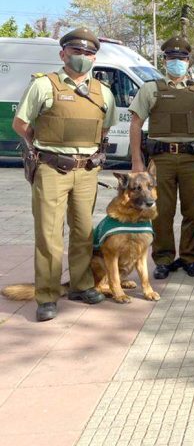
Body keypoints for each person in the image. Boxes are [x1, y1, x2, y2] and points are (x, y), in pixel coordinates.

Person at [13, 27, 117, 321]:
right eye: (76, 52)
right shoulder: (44, 86)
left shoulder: (103, 92)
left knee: (84, 232)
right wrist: (41, 146)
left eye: (88, 53)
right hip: (51, 169)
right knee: (48, 235)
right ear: (63, 54)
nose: (82, 57)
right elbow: (21, 124)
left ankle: (81, 285)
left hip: (86, 171)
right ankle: (46, 296)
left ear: (95, 57)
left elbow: (105, 127)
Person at [129, 36, 194, 280]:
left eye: (181, 59)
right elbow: (136, 124)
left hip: (193, 161)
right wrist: (137, 162)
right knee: (161, 210)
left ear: (188, 61)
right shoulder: (150, 89)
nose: (177, 62)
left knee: (192, 211)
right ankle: (163, 259)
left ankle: (190, 257)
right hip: (161, 162)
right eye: (172, 58)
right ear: (165, 60)